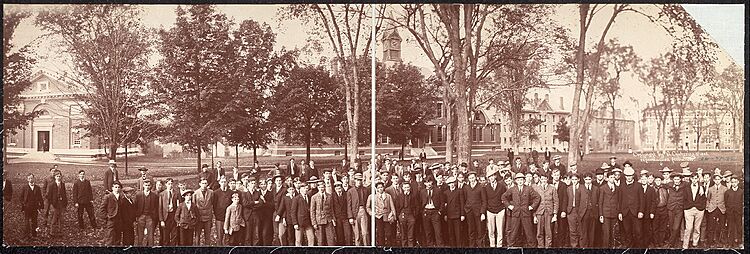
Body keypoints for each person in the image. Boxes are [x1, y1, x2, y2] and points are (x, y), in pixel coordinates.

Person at [503, 172, 540, 247]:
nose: (520, 181)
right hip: (515, 214)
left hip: (526, 214)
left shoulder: (528, 189)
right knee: (513, 232)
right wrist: (509, 206)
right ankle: (510, 246)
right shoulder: (513, 189)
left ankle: (532, 247)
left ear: (524, 180)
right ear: (516, 181)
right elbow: (504, 197)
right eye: (518, 180)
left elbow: (537, 197)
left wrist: (532, 206)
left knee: (529, 232)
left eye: (521, 180)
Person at [617, 166, 642, 248]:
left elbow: (642, 200)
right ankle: (630, 248)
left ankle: (639, 248)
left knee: (638, 232)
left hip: (636, 212)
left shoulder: (638, 186)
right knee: (628, 231)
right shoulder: (621, 186)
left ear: (633, 176)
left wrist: (641, 211)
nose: (629, 177)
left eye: (630, 175)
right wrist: (620, 212)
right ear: (625, 176)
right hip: (625, 212)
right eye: (627, 176)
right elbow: (619, 200)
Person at [682, 170, 707, 249]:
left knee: (697, 228)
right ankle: (685, 245)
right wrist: (686, 208)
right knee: (689, 228)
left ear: (698, 179)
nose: (694, 180)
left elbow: (704, 199)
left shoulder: (701, 187)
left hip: (699, 210)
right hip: (689, 210)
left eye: (696, 178)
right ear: (690, 179)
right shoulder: (686, 188)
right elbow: (683, 199)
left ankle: (695, 244)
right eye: (693, 178)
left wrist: (702, 208)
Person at [484, 167, 507, 247]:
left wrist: (503, 206)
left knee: (500, 230)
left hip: (500, 210)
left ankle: (499, 245)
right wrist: (487, 209)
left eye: (492, 176)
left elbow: (505, 197)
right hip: (490, 210)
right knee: (491, 230)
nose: (491, 178)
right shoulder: (486, 187)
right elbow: (485, 200)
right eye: (489, 177)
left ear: (495, 176)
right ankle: (492, 245)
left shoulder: (502, 186)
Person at [533, 172, 557, 248]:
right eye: (542, 178)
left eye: (545, 179)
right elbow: (534, 202)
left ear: (547, 179)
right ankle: (540, 247)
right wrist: (534, 215)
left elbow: (556, 201)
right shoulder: (536, 188)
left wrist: (555, 214)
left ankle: (548, 248)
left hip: (549, 212)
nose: (543, 180)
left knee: (548, 232)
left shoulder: (552, 188)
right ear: (540, 179)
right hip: (539, 212)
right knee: (539, 232)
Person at [463, 171, 487, 247]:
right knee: (471, 229)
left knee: (479, 229)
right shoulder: (466, 187)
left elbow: (484, 201)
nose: (472, 179)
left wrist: (482, 212)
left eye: (473, 178)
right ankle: (472, 246)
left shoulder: (481, 187)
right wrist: (466, 209)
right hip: (469, 211)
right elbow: (465, 199)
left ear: (476, 177)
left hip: (478, 212)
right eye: (470, 178)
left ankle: (479, 245)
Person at [369, 181, 396, 246]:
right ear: (376, 189)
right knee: (380, 234)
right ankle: (381, 246)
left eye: (381, 187)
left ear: (383, 188)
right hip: (378, 216)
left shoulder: (388, 196)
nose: (380, 189)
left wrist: (393, 215)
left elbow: (392, 207)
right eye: (378, 188)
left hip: (387, 216)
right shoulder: (373, 196)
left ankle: (389, 246)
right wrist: (372, 213)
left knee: (389, 233)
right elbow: (368, 207)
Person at [418, 177, 443, 247]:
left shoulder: (438, 190)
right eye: (427, 182)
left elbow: (442, 202)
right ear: (424, 183)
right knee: (428, 231)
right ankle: (430, 246)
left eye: (430, 182)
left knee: (438, 231)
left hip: (435, 212)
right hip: (426, 212)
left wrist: (440, 211)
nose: (428, 184)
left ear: (432, 182)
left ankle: (440, 246)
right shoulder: (422, 192)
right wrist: (422, 212)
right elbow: (419, 203)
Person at [347, 173, 369, 246]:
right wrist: (350, 217)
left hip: (363, 211)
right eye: (357, 180)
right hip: (355, 213)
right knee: (357, 235)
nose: (359, 182)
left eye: (360, 180)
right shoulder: (350, 191)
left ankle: (366, 248)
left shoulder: (365, 190)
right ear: (355, 180)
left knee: (365, 233)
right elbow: (349, 205)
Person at [135, 179, 159, 246]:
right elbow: (135, 206)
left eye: (148, 185)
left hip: (150, 217)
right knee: (140, 235)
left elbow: (156, 207)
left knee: (150, 235)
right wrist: (137, 216)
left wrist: (154, 216)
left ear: (151, 186)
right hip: (141, 216)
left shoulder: (154, 196)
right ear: (143, 185)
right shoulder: (138, 195)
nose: (147, 187)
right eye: (146, 185)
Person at [310, 181, 335, 246]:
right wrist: (314, 223)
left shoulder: (329, 196)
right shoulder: (314, 197)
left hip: (328, 220)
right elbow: (312, 211)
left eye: (323, 187)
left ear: (325, 187)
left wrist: (333, 219)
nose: (322, 188)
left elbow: (332, 209)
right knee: (320, 240)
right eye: (320, 187)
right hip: (319, 221)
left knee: (331, 240)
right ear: (318, 187)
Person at [19, 173, 44, 239]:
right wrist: (24, 204)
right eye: (29, 178)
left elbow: (40, 197)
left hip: (35, 207)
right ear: (27, 179)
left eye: (32, 178)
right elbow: (21, 197)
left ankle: (34, 235)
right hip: (27, 207)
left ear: (34, 178)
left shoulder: (37, 187)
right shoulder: (24, 187)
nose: (31, 179)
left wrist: (41, 206)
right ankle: (26, 235)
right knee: (27, 221)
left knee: (35, 221)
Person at [598, 172, 619, 248]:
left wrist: (618, 212)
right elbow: (600, 202)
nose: (612, 179)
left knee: (613, 232)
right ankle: (605, 248)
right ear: (607, 178)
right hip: (605, 213)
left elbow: (618, 201)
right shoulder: (603, 188)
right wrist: (601, 215)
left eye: (613, 177)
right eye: (611, 177)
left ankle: (612, 248)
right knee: (606, 233)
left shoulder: (617, 188)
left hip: (614, 213)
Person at [705, 173, 727, 246]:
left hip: (721, 209)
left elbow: (726, 199)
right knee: (711, 225)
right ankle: (710, 241)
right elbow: (708, 199)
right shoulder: (710, 189)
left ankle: (720, 240)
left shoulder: (725, 188)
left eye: (719, 179)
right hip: (712, 209)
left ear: (721, 180)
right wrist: (708, 207)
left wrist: (725, 208)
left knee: (721, 225)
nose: (717, 181)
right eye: (716, 179)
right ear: (714, 180)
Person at [666, 173, 686, 248]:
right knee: (671, 226)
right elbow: (660, 184)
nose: (676, 181)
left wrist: (700, 186)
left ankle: (671, 243)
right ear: (673, 180)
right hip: (671, 208)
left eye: (678, 179)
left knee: (676, 227)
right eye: (675, 179)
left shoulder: (684, 185)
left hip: (679, 209)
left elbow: (694, 181)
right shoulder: (669, 185)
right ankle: (674, 242)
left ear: (680, 179)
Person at [638, 170, 658, 248]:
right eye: (642, 179)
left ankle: (646, 244)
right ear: (640, 180)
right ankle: (640, 244)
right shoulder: (638, 189)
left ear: (647, 180)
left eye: (645, 179)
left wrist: (652, 212)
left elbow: (654, 202)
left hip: (648, 213)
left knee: (647, 229)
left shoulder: (651, 189)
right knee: (639, 229)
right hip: (639, 213)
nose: (643, 181)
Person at [396, 181, 419, 246]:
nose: (407, 189)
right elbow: (397, 206)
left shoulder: (413, 196)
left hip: (411, 214)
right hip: (402, 214)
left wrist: (415, 215)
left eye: (408, 187)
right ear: (402, 188)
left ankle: (410, 247)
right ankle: (404, 246)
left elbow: (417, 206)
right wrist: (399, 215)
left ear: (410, 187)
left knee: (411, 232)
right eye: (405, 187)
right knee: (403, 231)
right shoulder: (399, 196)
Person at [193, 178, 214, 246]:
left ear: (207, 184)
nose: (204, 185)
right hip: (199, 217)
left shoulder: (211, 192)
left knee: (207, 235)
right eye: (202, 183)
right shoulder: (195, 193)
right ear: (199, 184)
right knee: (197, 235)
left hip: (208, 217)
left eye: (205, 183)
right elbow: (193, 206)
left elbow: (212, 203)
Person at [159, 178, 180, 246]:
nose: (170, 185)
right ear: (166, 184)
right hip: (166, 217)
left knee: (174, 235)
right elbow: (160, 208)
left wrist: (178, 218)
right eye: (168, 184)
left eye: (171, 184)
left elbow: (179, 207)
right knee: (166, 236)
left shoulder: (176, 193)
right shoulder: (162, 194)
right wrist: (161, 220)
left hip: (173, 216)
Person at [46, 171, 67, 237]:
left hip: (61, 204)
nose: (58, 177)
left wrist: (65, 203)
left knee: (61, 219)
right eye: (57, 176)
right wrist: (52, 203)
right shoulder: (51, 185)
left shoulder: (62, 184)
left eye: (59, 176)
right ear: (55, 177)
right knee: (54, 219)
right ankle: (52, 232)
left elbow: (64, 194)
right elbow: (48, 196)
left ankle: (60, 232)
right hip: (55, 204)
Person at [242, 176, 261, 245]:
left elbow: (260, 203)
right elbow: (245, 204)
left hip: (256, 215)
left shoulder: (258, 193)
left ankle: (255, 248)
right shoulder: (244, 193)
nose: (253, 185)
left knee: (256, 234)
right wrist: (254, 202)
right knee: (248, 234)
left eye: (254, 183)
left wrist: (251, 205)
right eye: (252, 183)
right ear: (248, 184)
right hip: (248, 216)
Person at [331, 181, 352, 246]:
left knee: (348, 234)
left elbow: (349, 205)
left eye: (339, 187)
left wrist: (349, 217)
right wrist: (333, 218)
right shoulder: (332, 195)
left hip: (345, 218)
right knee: (339, 235)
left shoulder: (346, 194)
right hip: (337, 219)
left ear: (342, 187)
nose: (338, 189)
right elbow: (331, 208)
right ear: (335, 189)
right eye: (337, 188)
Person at [724, 176, 742, 247]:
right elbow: (726, 202)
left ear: (737, 182)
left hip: (738, 212)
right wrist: (728, 210)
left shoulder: (741, 192)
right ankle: (730, 242)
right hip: (730, 213)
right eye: (732, 182)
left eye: (735, 182)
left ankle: (739, 241)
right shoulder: (727, 192)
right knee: (730, 227)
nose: (734, 184)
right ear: (730, 183)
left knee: (739, 227)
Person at [653, 176, 670, 247]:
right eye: (656, 180)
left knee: (663, 226)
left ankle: (661, 241)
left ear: (661, 181)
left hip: (664, 209)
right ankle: (656, 242)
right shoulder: (652, 189)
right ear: (654, 181)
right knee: (655, 226)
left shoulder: (665, 188)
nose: (658, 182)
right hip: (655, 209)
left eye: (659, 180)